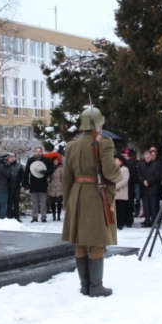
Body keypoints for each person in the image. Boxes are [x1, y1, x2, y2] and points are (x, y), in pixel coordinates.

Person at [62, 106, 122, 297]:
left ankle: (85, 284)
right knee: (97, 241)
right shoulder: (104, 143)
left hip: (76, 194)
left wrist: (68, 203)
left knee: (80, 241)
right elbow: (110, 171)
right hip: (97, 194)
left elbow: (67, 177)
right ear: (99, 124)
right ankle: (95, 287)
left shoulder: (71, 145)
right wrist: (118, 173)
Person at [24, 147, 54, 222]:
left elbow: (51, 170)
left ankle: (43, 217)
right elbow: (26, 172)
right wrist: (26, 183)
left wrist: (45, 172)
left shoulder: (46, 160)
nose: (38, 153)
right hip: (33, 184)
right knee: (34, 202)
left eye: (39, 151)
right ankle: (34, 217)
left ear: (41, 152)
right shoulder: (30, 160)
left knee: (43, 202)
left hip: (42, 184)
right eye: (36, 151)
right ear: (34, 152)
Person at [137, 150, 161, 227]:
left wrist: (148, 181)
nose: (147, 159)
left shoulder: (156, 165)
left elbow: (156, 176)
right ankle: (147, 220)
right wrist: (143, 181)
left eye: (148, 157)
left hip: (153, 188)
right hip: (144, 188)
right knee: (146, 206)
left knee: (153, 206)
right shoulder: (142, 164)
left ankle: (154, 221)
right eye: (146, 157)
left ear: (151, 157)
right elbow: (139, 175)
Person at [114, 153, 131, 230]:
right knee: (115, 209)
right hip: (114, 193)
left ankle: (121, 223)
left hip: (121, 192)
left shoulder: (125, 169)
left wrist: (116, 186)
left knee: (121, 209)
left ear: (121, 161)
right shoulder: (114, 169)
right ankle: (116, 223)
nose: (115, 161)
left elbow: (125, 180)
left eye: (116, 160)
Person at [6, 154, 24, 221]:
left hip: (16, 186)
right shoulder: (6, 166)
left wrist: (23, 186)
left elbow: (22, 176)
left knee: (16, 202)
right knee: (9, 203)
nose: (12, 159)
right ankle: (9, 216)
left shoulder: (19, 166)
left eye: (13, 157)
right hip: (8, 187)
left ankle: (17, 217)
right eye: (10, 157)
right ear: (8, 158)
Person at [47, 156, 64, 221]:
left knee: (59, 202)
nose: (56, 161)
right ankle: (54, 216)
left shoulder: (61, 168)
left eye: (57, 160)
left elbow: (63, 177)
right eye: (55, 160)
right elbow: (48, 176)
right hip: (52, 186)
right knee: (53, 202)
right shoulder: (50, 168)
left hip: (59, 186)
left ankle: (59, 216)